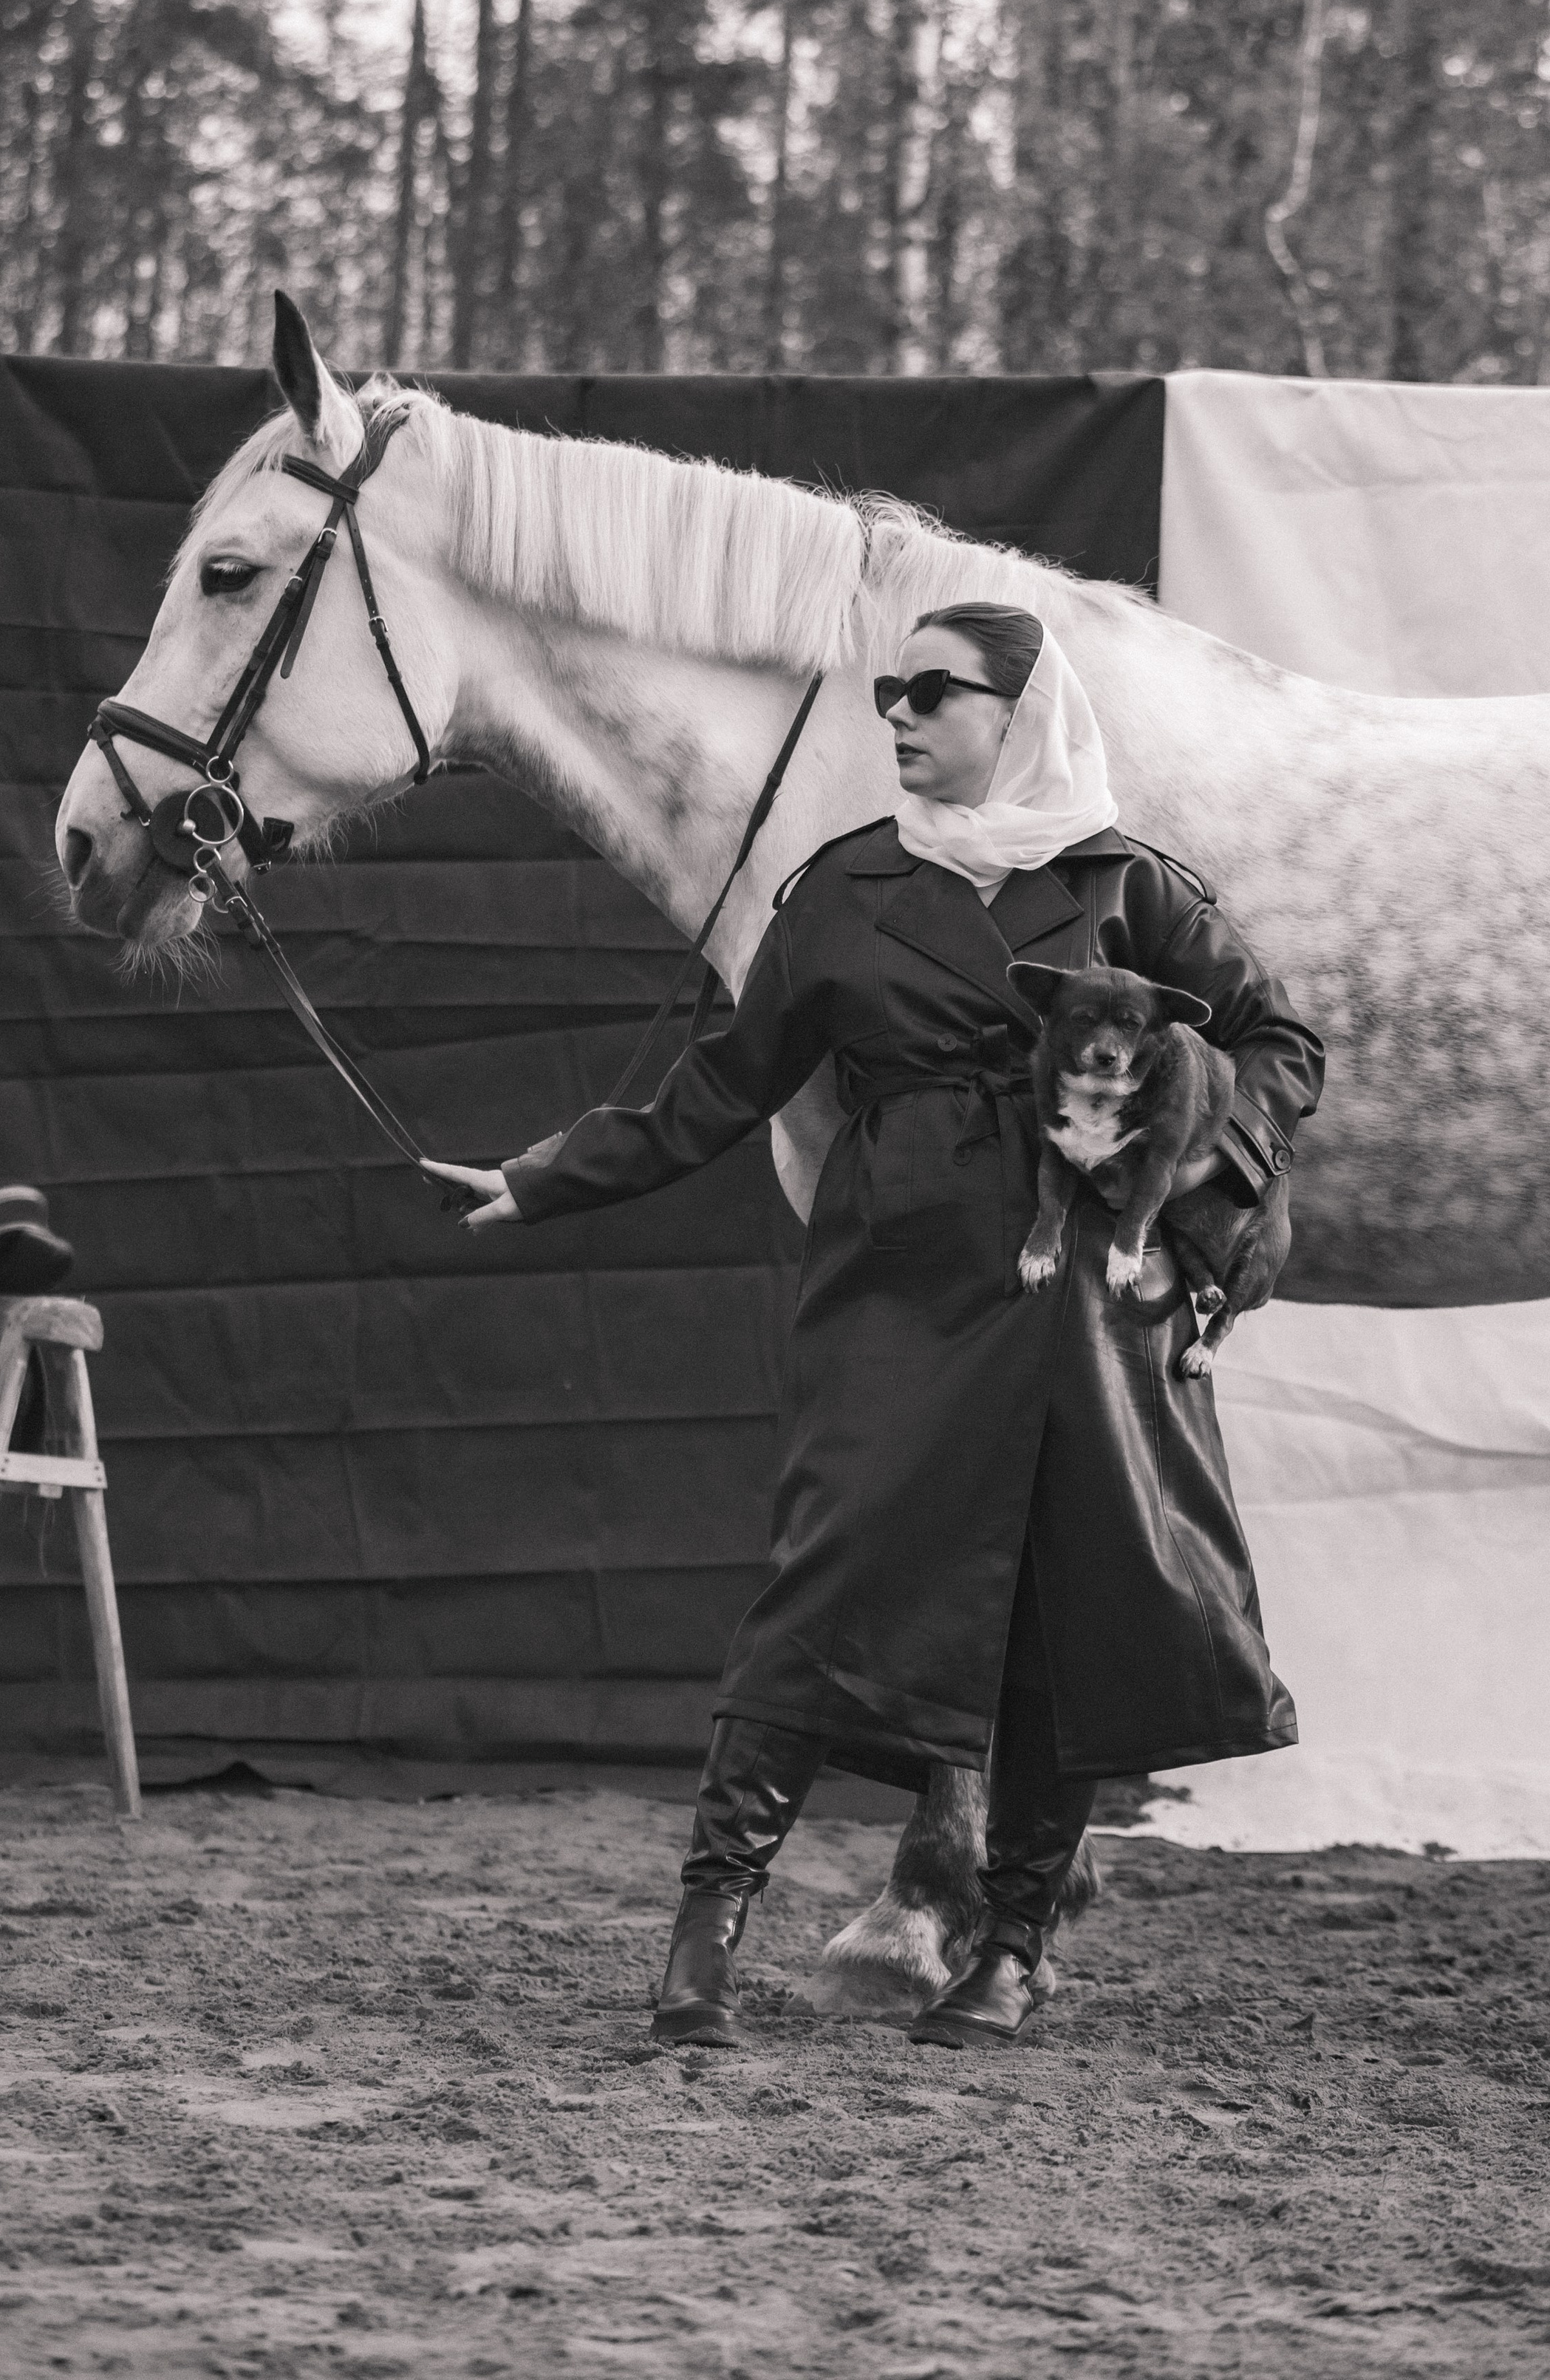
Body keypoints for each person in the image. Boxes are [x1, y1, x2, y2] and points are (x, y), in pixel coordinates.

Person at [429, 602, 1324, 2050]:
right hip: (898, 1290)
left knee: (1059, 1615)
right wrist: (545, 1178)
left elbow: (1283, 1047)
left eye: (930, 693)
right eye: (886, 691)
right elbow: (719, 1085)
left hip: (1083, 1301)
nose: (895, 716)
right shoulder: (841, 890)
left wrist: (1190, 1153)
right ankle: (700, 1945)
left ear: (1020, 712)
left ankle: (1013, 1949)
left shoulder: (1130, 887)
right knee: (817, 1600)